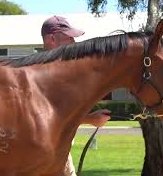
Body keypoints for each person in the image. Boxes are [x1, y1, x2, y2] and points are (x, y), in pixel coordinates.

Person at [41, 15, 111, 176]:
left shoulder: (57, 73)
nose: (74, 43)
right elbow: (48, 118)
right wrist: (90, 119)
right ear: (51, 39)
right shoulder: (42, 75)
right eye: (69, 38)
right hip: (47, 158)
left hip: (60, 153)